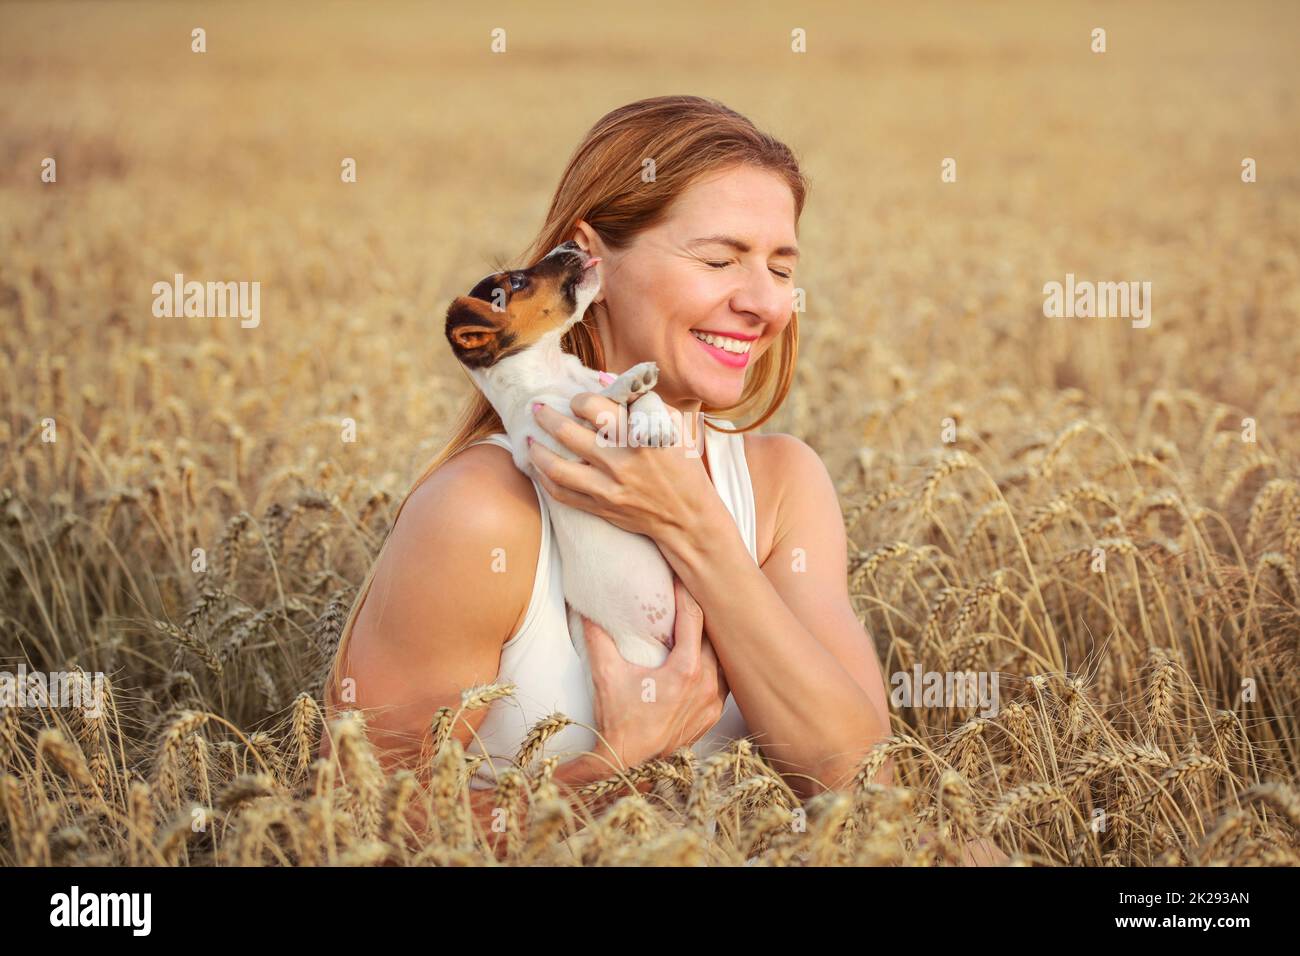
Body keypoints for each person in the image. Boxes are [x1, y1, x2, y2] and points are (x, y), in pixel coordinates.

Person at [321, 94, 900, 855]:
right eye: (720, 259)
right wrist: (612, 772)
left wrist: (693, 526)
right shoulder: (484, 514)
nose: (763, 302)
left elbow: (871, 798)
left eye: (782, 267)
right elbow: (355, 821)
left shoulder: (784, 486)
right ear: (593, 260)